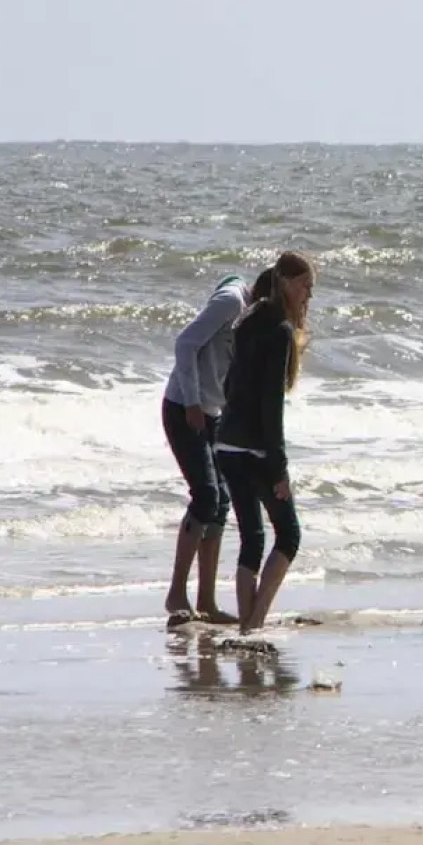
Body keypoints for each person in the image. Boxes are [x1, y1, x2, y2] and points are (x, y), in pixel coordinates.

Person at [160, 266, 273, 626]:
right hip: (183, 407)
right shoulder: (231, 301)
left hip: (212, 413)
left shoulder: (254, 320)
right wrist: (192, 401)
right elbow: (185, 342)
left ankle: (206, 600)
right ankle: (176, 594)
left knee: (222, 502)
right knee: (206, 496)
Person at [215, 250, 315, 634]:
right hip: (256, 449)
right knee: (289, 535)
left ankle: (247, 628)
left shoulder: (249, 319)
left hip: (227, 443)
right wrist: (280, 469)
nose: (308, 296)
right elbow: (271, 407)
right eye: (306, 286)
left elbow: (230, 384)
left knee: (252, 538)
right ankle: (254, 623)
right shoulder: (279, 331)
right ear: (287, 283)